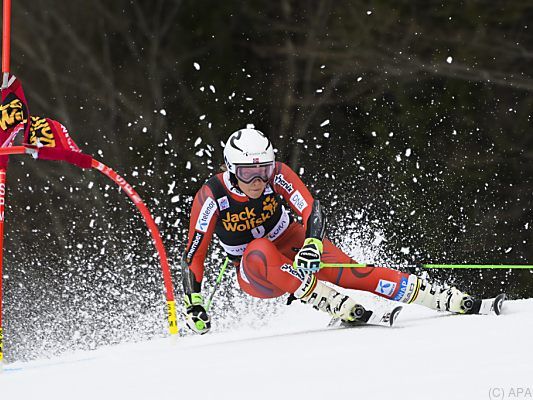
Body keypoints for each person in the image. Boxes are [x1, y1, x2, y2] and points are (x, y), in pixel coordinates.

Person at [181, 128, 484, 334]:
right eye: (249, 173)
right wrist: (193, 301)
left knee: (353, 272)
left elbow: (311, 208)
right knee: (258, 247)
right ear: (231, 169)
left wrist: (313, 242)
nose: (259, 180)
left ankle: (440, 296)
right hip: (258, 272)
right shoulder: (212, 196)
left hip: (291, 242)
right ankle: (329, 300)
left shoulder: (277, 176)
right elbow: (194, 253)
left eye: (265, 170)